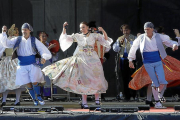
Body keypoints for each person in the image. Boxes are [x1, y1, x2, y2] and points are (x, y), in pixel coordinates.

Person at [42, 21, 113, 109]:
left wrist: (103, 31)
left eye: (83, 27)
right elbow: (65, 38)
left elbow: (106, 40)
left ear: (88, 27)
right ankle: (84, 102)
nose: (81, 29)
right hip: (82, 59)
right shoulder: (78, 36)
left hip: (93, 59)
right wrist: (64, 28)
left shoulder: (94, 35)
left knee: (97, 78)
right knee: (83, 80)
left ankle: (97, 101)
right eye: (80, 28)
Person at [128, 22, 179, 108]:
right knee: (154, 82)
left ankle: (158, 95)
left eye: (148, 29)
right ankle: (157, 102)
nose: (146, 31)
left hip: (158, 61)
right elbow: (134, 48)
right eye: (145, 30)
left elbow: (169, 42)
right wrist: (130, 60)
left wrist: (174, 45)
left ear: (152, 29)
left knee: (162, 81)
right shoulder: (141, 37)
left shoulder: (158, 36)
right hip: (148, 62)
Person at [0, 23, 52, 106]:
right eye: (23, 29)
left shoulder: (34, 40)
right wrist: (3, 33)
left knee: (35, 81)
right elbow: (6, 44)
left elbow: (42, 49)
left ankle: (38, 96)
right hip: (21, 64)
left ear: (30, 30)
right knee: (27, 83)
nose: (24, 31)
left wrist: (44, 57)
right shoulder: (18, 39)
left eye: (26, 29)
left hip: (32, 63)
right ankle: (34, 99)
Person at [113, 24, 137, 101]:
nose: (125, 32)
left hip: (132, 60)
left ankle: (133, 95)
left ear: (129, 30)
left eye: (126, 30)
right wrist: (119, 44)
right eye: (124, 30)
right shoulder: (120, 38)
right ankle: (127, 96)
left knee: (132, 77)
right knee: (124, 78)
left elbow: (137, 47)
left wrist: (131, 42)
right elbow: (115, 49)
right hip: (123, 60)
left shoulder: (134, 38)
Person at [0, 25, 22, 107]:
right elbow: (1, 49)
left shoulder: (19, 41)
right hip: (7, 61)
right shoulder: (5, 40)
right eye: (16, 32)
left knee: (17, 81)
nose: (17, 34)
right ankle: (4, 100)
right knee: (5, 80)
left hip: (15, 61)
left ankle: (17, 100)